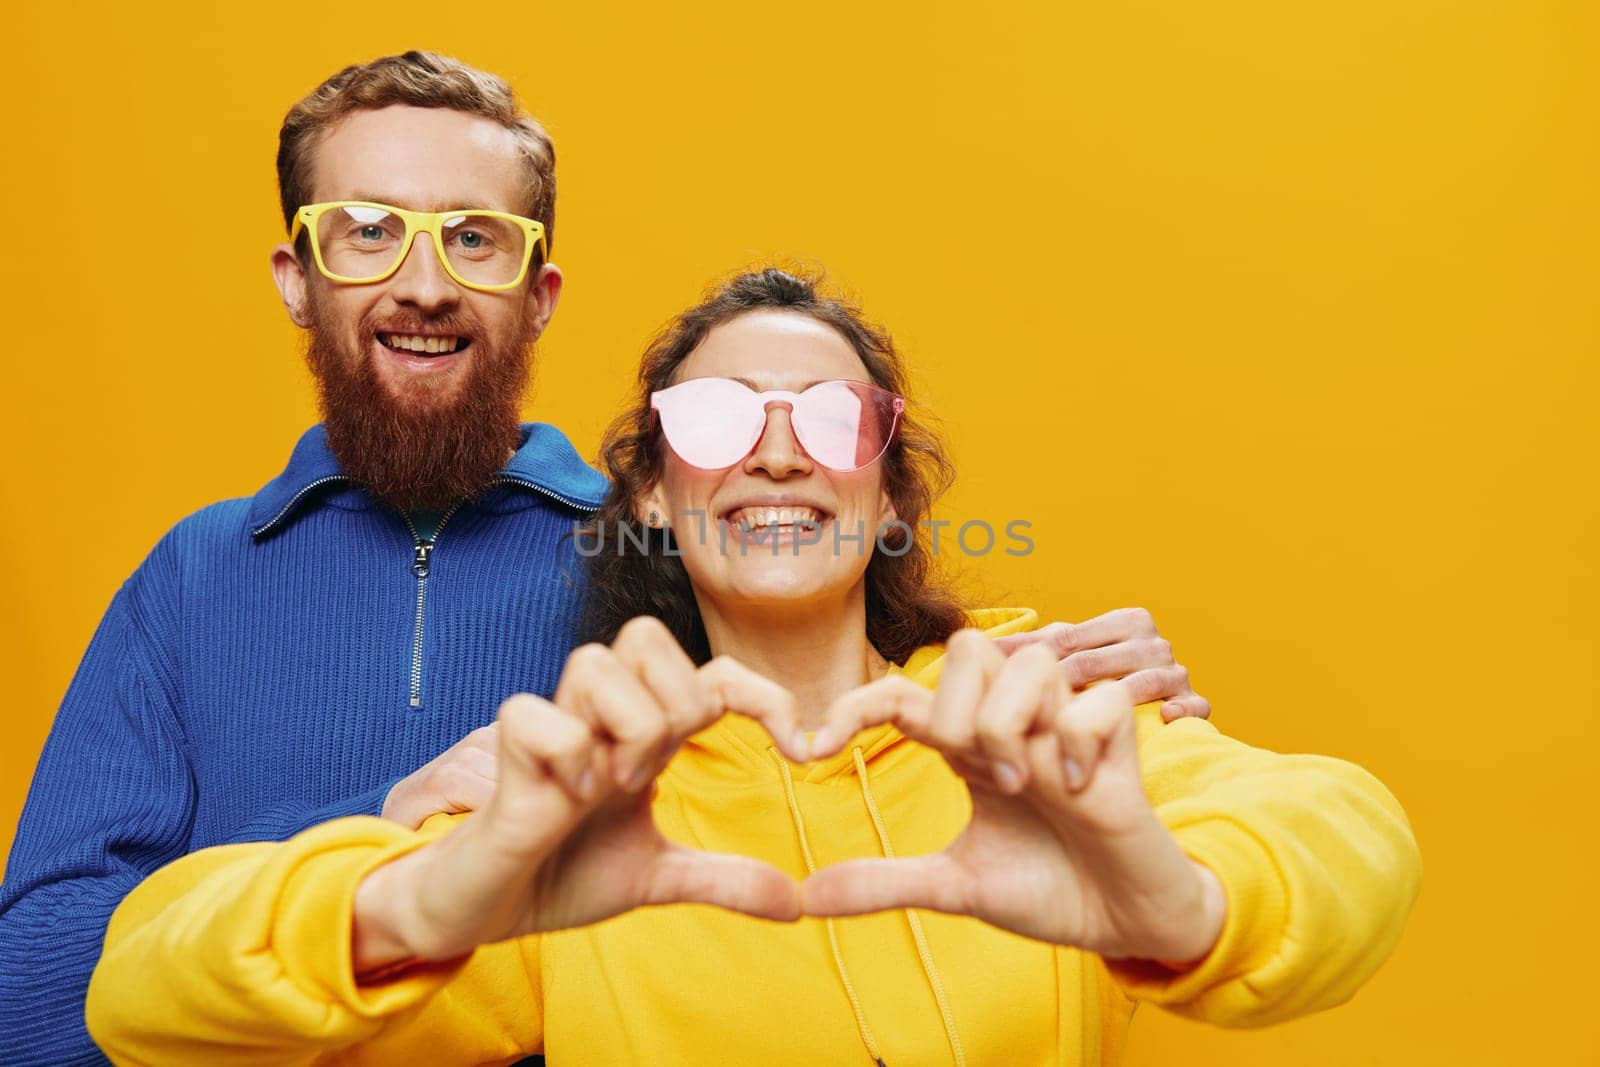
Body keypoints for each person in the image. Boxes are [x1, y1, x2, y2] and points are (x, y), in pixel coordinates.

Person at [0, 56, 1208, 1067]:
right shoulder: (192, 581)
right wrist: (393, 828)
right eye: (365, 232)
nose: (423, 283)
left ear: (538, 293)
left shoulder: (684, 558)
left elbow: (838, 782)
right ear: (296, 278)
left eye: (476, 238)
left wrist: (1034, 679)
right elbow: (28, 1001)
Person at [83, 268, 1422, 1065]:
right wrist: (415, 893)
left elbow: (1347, 833)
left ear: (887, 483)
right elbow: (141, 985)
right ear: (658, 491)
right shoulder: (583, 794)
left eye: (830, 415)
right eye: (718, 416)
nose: (776, 452)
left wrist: (1179, 902)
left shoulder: (1033, 710)